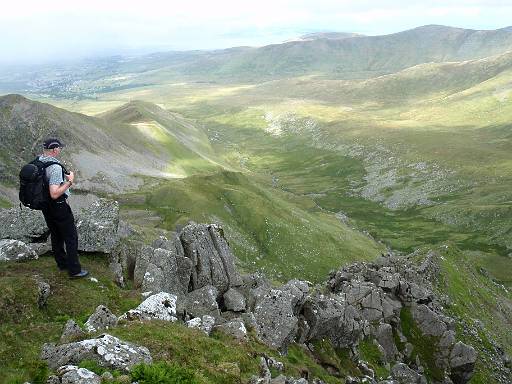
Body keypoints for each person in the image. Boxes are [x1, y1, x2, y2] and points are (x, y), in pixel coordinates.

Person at [39, 138, 88, 278]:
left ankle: (62, 263)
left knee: (56, 234)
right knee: (71, 236)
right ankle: (74, 270)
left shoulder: (40, 161)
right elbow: (54, 193)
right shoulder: (55, 167)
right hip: (58, 205)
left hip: (46, 206)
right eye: (59, 148)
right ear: (54, 150)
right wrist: (70, 181)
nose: (60, 150)